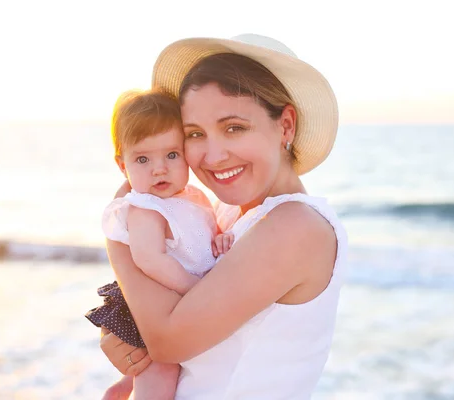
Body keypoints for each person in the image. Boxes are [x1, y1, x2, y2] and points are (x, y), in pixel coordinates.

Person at [100, 34, 347, 399]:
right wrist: (123, 331)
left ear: (286, 126)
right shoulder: (227, 215)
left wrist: (119, 231)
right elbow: (172, 318)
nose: (213, 156)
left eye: (234, 128)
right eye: (195, 134)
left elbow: (168, 340)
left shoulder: (295, 226)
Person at [85, 90, 234, 399]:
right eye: (142, 158)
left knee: (164, 368)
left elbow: (202, 233)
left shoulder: (191, 196)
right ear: (121, 165)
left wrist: (219, 238)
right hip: (151, 305)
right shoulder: (145, 208)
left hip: (176, 302)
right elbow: (149, 259)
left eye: (171, 154)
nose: (159, 169)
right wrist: (196, 290)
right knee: (162, 369)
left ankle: (124, 388)